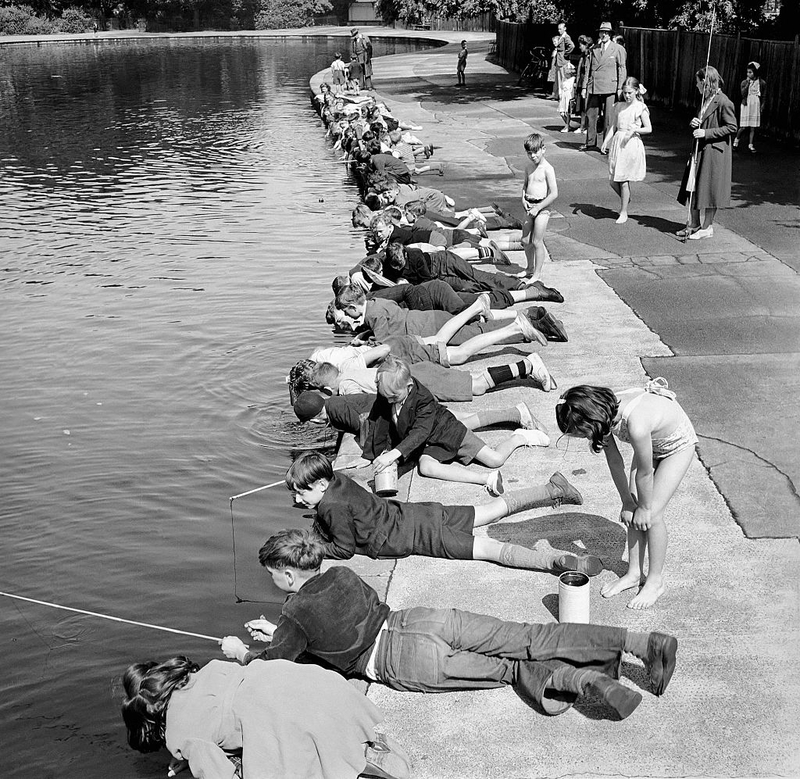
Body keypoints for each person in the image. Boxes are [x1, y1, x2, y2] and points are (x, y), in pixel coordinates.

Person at [220, 530, 680, 721]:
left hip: (398, 659)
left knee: (506, 669)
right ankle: (642, 642)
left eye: (273, 576)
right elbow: (345, 616)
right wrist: (282, 633)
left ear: (284, 573)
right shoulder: (341, 573)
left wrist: (244, 651)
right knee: (528, 636)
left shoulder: (293, 613)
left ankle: (586, 679)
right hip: (419, 619)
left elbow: (275, 665)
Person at [284, 451, 598, 576]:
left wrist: (315, 544)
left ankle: (555, 563)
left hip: (423, 536)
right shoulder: (339, 482)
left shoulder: (330, 506)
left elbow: (344, 548)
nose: (298, 498)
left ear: (322, 484)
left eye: (301, 491)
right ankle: (551, 490)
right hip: (423, 514)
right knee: (489, 511)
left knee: (492, 550)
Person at [120, 655, 411, 779]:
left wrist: (194, 758)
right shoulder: (204, 672)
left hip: (283, 718)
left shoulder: (178, 737)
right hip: (313, 684)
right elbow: (214, 713)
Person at [556, 378, 698, 610]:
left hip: (676, 446)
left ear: (590, 420)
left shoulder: (636, 424)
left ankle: (655, 581)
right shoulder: (603, 413)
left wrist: (644, 508)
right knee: (633, 503)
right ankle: (633, 573)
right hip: (652, 443)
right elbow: (614, 460)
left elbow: (644, 473)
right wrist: (627, 502)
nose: (583, 438)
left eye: (581, 434)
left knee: (652, 514)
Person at [364, 355, 550, 494]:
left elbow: (419, 432)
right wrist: (372, 453)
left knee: (495, 460)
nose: (389, 401)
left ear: (410, 386)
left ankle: (519, 437)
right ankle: (485, 479)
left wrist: (394, 454)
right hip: (428, 444)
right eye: (386, 397)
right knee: (426, 467)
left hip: (448, 432)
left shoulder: (423, 399)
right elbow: (378, 421)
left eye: (394, 397)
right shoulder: (388, 393)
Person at [677, 66, 737, 240]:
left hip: (714, 152)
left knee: (710, 189)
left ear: (706, 82)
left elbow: (732, 127)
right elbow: (703, 120)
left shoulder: (724, 101)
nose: (696, 86)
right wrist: (695, 123)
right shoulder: (705, 99)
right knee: (693, 184)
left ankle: (707, 227)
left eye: (698, 82)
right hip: (700, 149)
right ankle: (694, 223)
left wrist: (706, 133)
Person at [600, 77, 652, 224]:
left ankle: (623, 212)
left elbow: (649, 128)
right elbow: (613, 126)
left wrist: (635, 129)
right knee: (612, 180)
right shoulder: (619, 106)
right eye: (625, 93)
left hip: (630, 143)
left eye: (630, 93)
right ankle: (626, 198)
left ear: (636, 91)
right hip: (618, 141)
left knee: (623, 179)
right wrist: (606, 141)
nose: (627, 96)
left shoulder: (640, 107)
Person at [582, 22, 627, 152]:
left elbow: (622, 69)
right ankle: (590, 143)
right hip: (594, 86)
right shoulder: (593, 49)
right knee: (591, 115)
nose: (604, 34)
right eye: (602, 32)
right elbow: (588, 69)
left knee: (609, 118)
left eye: (607, 32)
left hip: (611, 87)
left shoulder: (618, 49)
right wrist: (585, 87)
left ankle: (607, 145)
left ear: (611, 34)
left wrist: (620, 88)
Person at [520, 133, 557, 282]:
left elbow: (554, 193)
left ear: (543, 149)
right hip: (529, 205)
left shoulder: (548, 169)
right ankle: (529, 268)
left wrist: (539, 207)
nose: (533, 156)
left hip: (542, 207)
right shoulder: (528, 167)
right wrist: (523, 199)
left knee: (536, 241)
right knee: (525, 240)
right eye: (529, 153)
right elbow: (525, 185)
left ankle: (537, 273)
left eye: (535, 152)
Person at [734, 61, 766, 153]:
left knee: (753, 127)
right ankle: (736, 140)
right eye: (747, 72)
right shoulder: (744, 82)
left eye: (750, 72)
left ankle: (750, 144)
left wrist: (762, 105)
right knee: (743, 126)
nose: (748, 74)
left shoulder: (761, 83)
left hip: (755, 103)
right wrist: (748, 84)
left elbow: (764, 95)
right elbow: (743, 93)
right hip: (746, 104)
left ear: (755, 72)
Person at [573, 35, 593, 134]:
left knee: (587, 106)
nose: (579, 47)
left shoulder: (589, 56)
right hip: (581, 82)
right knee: (581, 106)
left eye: (581, 45)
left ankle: (587, 126)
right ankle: (582, 126)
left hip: (587, 83)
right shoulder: (582, 56)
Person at [551, 21, 575, 100]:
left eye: (561, 29)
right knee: (558, 79)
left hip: (563, 61)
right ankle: (558, 95)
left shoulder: (566, 37)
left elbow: (572, 46)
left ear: (565, 29)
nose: (559, 31)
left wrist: (566, 53)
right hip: (559, 61)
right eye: (558, 29)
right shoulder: (561, 37)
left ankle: (563, 96)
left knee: (563, 79)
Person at [558, 63, 577, 132]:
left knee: (567, 112)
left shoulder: (573, 79)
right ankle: (567, 124)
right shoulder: (564, 79)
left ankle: (567, 125)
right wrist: (560, 95)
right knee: (561, 112)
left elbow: (573, 89)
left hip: (569, 96)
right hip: (563, 95)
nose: (565, 74)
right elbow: (561, 87)